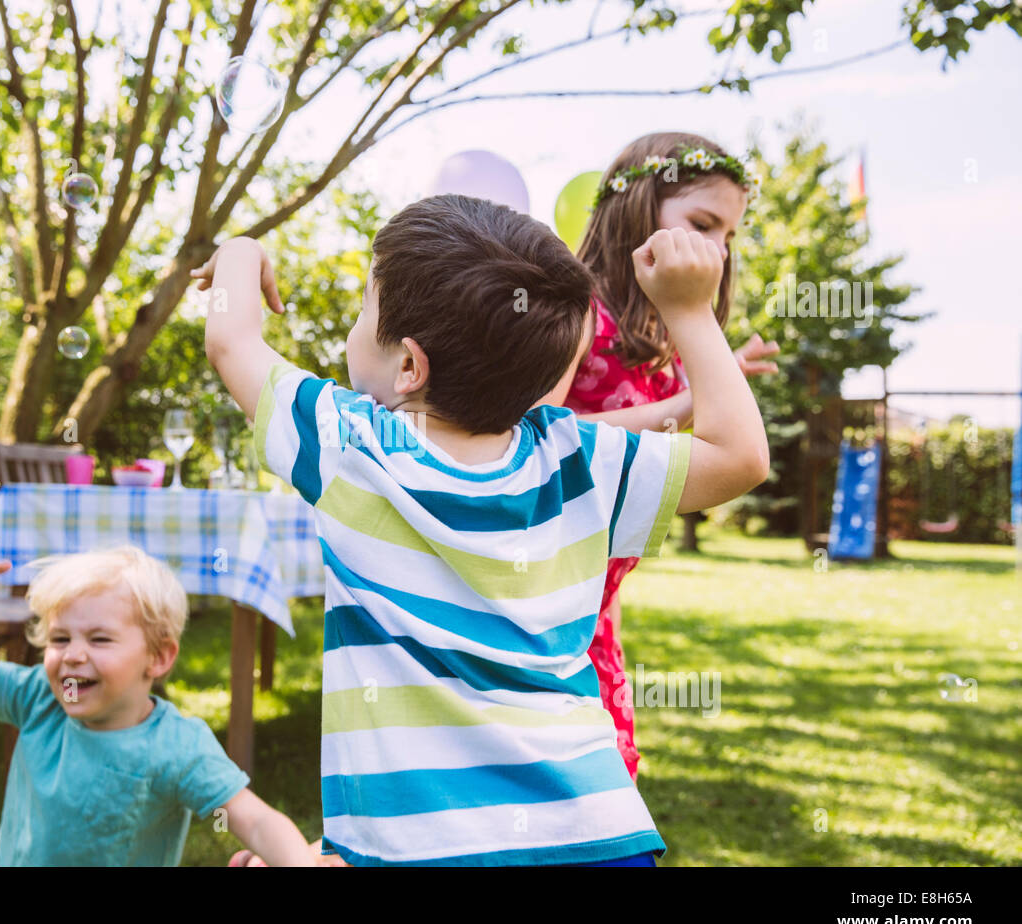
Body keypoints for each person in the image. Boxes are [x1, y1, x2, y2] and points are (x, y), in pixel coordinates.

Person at [194, 192, 769, 866]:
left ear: (409, 366)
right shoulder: (576, 458)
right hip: (595, 834)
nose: (353, 330)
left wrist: (240, 252)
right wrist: (690, 309)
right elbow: (741, 457)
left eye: (363, 312)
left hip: (424, 849)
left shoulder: (351, 445)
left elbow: (231, 338)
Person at [537, 132, 782, 780]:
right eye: (703, 223)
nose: (718, 251)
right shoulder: (573, 313)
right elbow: (535, 440)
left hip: (596, 611)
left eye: (728, 235)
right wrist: (690, 402)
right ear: (637, 207)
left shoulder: (658, 336)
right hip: (536, 604)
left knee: (608, 786)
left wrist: (707, 379)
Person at [0, 539, 315, 866]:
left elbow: (256, 820)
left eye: (99, 639)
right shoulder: (38, 700)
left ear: (158, 658)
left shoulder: (175, 745)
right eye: (60, 639)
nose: (73, 654)